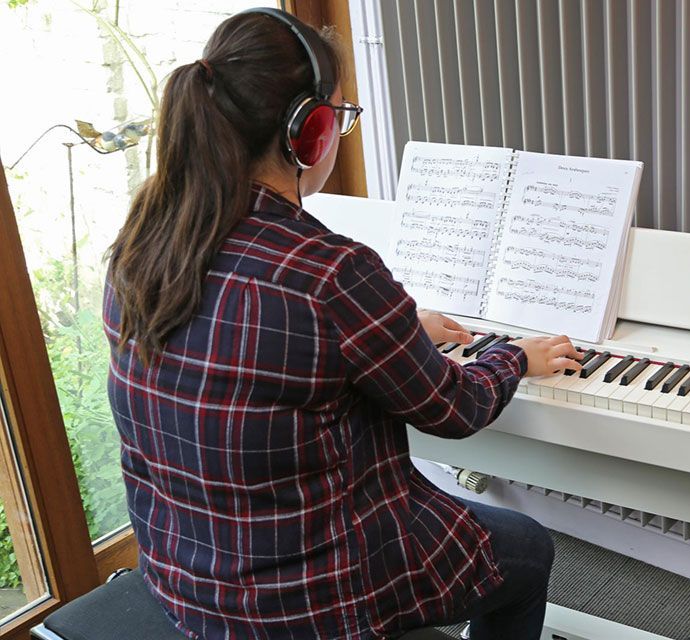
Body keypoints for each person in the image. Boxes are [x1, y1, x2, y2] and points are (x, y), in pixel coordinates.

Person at [103, 9, 581, 640]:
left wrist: (400, 328)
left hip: (185, 582)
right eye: (341, 117)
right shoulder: (332, 272)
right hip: (313, 604)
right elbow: (455, 410)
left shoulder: (143, 245)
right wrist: (515, 355)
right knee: (528, 548)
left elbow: (264, 338)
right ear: (311, 130)